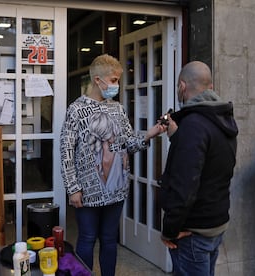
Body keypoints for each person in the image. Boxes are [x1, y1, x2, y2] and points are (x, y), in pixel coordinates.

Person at [60, 54, 165, 276]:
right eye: (114, 80)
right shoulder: (76, 110)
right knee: (87, 239)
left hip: (116, 189)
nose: (116, 85)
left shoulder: (118, 109)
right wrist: (73, 188)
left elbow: (128, 143)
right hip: (87, 191)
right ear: (98, 80)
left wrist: (148, 135)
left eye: (118, 80)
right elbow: (66, 150)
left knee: (109, 240)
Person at [159, 61, 238, 276]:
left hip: (192, 231)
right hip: (215, 223)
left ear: (182, 86)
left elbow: (184, 186)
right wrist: (178, 138)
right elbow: (211, 165)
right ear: (210, 87)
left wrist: (169, 229)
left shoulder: (193, 125)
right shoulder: (221, 119)